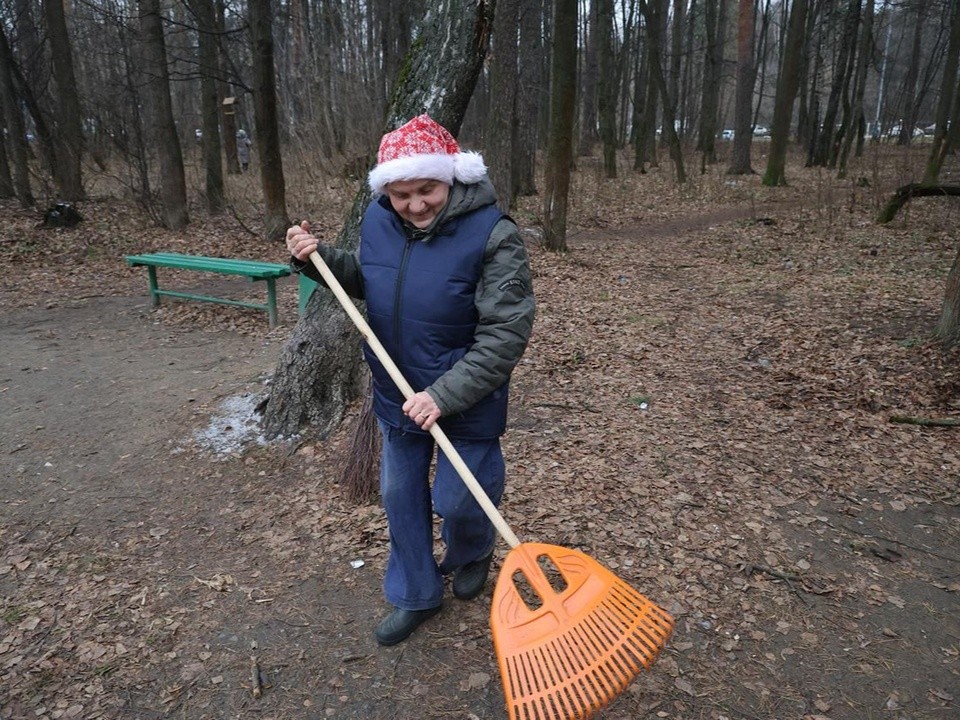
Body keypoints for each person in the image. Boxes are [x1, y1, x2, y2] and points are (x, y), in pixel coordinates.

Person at [286, 114, 535, 646]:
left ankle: (472, 551)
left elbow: (505, 335)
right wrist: (319, 261)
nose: (416, 204)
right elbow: (370, 280)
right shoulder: (379, 221)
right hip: (396, 395)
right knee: (400, 498)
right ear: (387, 191)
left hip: (465, 398)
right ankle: (416, 593)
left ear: (451, 177)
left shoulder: (494, 234)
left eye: (427, 189)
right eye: (402, 194)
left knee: (460, 500)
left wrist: (443, 395)